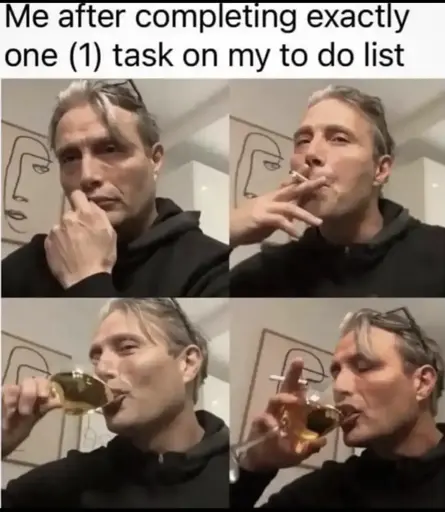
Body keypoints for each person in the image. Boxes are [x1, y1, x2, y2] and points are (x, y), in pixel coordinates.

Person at [1, 80, 229, 298]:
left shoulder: (213, 269)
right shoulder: (28, 265)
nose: (87, 176)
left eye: (110, 149)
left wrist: (88, 277)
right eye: (70, 158)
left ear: (155, 160)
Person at [2, 298, 230, 508]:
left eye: (127, 347)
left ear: (187, 364)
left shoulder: (239, 472)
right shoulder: (76, 479)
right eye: (96, 357)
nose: (101, 369)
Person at [230, 85, 445, 297]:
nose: (311, 153)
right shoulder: (264, 276)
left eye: (339, 139)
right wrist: (230, 233)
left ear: (380, 170)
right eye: (303, 141)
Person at [230, 306, 445, 507]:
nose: (339, 386)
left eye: (363, 366)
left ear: (422, 383)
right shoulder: (326, 489)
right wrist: (253, 467)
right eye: (336, 373)